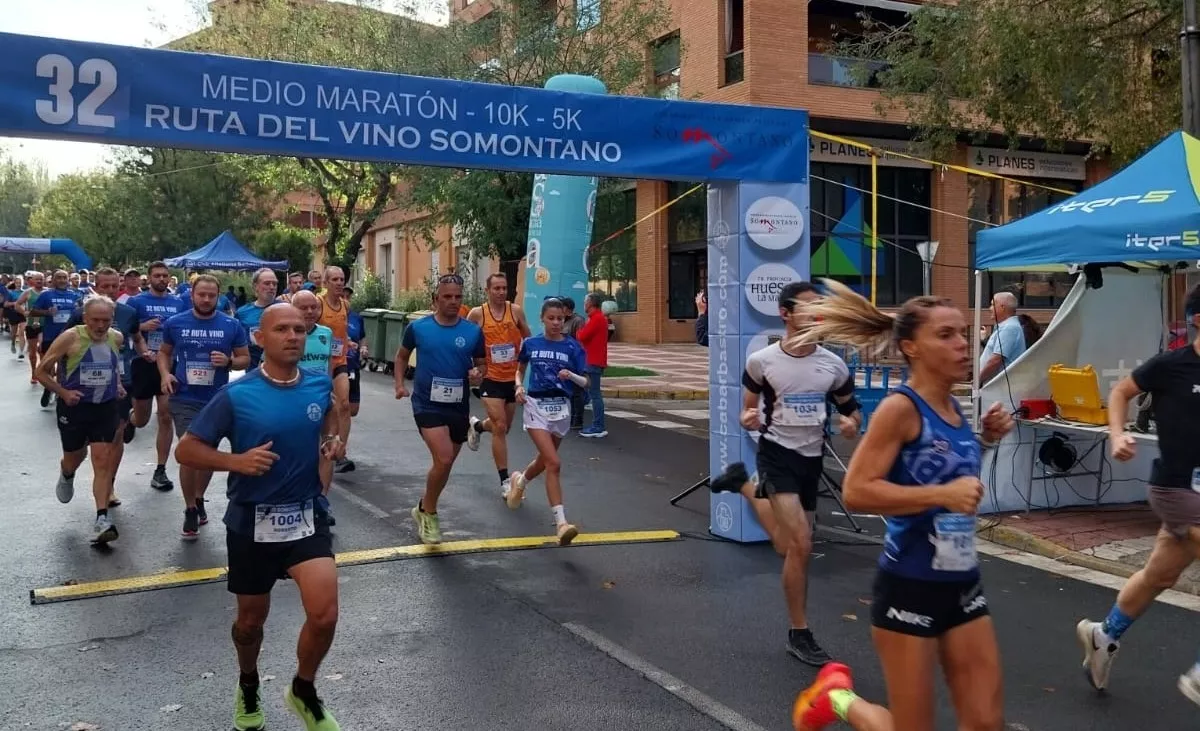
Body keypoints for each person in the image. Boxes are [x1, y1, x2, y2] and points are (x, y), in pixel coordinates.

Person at [789, 279, 1015, 731]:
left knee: (986, 722)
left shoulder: (953, 407)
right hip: (909, 585)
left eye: (963, 333)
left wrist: (985, 441)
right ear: (911, 347)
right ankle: (837, 698)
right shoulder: (900, 408)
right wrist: (941, 496)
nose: (963, 344)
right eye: (946, 335)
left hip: (962, 584)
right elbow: (856, 490)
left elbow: (946, 472)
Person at [175, 303, 344, 731]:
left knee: (324, 614)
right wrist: (236, 462)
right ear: (259, 338)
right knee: (250, 623)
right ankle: (248, 682)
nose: (293, 336)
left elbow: (330, 419)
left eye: (300, 329)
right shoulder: (237, 394)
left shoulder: (318, 385)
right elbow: (187, 450)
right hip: (252, 520)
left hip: (306, 515)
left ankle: (303, 690)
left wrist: (330, 442)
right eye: (282, 329)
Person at [709, 281, 863, 666]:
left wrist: (850, 423)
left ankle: (743, 484)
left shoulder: (833, 364)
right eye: (808, 307)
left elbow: (851, 409)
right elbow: (747, 408)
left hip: (812, 460)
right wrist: (746, 417)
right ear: (786, 314)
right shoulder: (762, 361)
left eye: (820, 308)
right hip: (776, 455)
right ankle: (800, 632)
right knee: (803, 545)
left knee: (785, 545)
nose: (816, 314)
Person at [1075, 284, 1200, 703]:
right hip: (1177, 488)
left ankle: (1103, 635)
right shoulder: (1172, 365)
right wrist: (1116, 435)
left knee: (1159, 575)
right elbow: (1120, 392)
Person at [393, 274, 486, 545]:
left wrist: (478, 374)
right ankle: (431, 515)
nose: (453, 301)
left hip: (458, 404)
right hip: (426, 403)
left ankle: (423, 506)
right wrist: (399, 384)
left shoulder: (472, 331)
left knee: (444, 465)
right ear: (435, 299)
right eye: (447, 296)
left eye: (458, 297)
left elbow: (482, 364)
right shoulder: (418, 328)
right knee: (444, 459)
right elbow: (400, 357)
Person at [159, 274, 251, 539]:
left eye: (212, 295)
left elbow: (245, 358)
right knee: (189, 452)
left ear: (218, 296)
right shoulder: (175, 323)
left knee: (207, 453)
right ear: (192, 295)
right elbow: (164, 352)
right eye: (202, 294)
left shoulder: (231, 325)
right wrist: (166, 374)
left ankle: (199, 498)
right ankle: (189, 507)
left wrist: (229, 362)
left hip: (217, 398)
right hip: (184, 397)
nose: (207, 299)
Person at [36, 296, 126, 545]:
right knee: (76, 456)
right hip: (74, 409)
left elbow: (114, 366)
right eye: (95, 320)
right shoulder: (70, 338)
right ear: (85, 318)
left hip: (105, 408)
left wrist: (117, 385)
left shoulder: (116, 338)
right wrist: (63, 392)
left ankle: (102, 519)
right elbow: (41, 371)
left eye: (106, 321)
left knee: (102, 459)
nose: (100, 326)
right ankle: (67, 472)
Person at [504, 298, 588, 545]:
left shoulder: (573, 348)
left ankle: (520, 481)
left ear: (565, 319)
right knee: (553, 462)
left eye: (560, 319)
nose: (555, 323)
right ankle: (561, 523)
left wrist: (570, 375)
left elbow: (586, 382)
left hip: (562, 408)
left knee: (543, 460)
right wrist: (519, 386)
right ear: (542, 318)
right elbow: (519, 370)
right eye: (551, 318)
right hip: (535, 407)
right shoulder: (530, 343)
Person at [67, 269, 144, 482]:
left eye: (114, 286)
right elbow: (63, 350)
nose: (110, 291)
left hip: (119, 381)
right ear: (96, 287)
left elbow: (137, 337)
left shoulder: (128, 312)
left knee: (116, 435)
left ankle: (108, 483)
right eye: (104, 286)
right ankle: (69, 468)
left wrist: (144, 352)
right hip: (84, 385)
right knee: (81, 445)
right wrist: (62, 386)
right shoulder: (79, 314)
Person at [466, 273, 532, 495]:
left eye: (504, 288)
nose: (501, 292)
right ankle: (505, 481)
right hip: (490, 376)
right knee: (500, 426)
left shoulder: (515, 311)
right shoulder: (478, 314)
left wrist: (523, 367)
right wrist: (472, 367)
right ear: (488, 290)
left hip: (511, 378)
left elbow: (528, 340)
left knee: (503, 427)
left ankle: (476, 426)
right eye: (496, 288)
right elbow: (466, 342)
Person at [127, 262, 188, 492]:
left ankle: (160, 470)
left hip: (169, 364)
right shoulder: (137, 301)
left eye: (165, 276)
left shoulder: (178, 302)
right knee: (142, 420)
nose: (161, 279)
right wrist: (144, 325)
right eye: (157, 276)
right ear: (149, 278)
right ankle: (131, 420)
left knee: (165, 415)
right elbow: (126, 329)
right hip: (143, 363)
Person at [316, 266, 353, 490]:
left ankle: (340, 451)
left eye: (342, 279)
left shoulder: (345, 305)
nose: (339, 283)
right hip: (319, 364)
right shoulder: (318, 304)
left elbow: (343, 330)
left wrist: (348, 343)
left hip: (340, 362)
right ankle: (321, 444)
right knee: (324, 408)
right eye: (335, 280)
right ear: (326, 283)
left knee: (345, 405)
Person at [29, 270, 84, 408]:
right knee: (48, 365)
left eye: (64, 277)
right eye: (58, 277)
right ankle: (49, 386)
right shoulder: (46, 294)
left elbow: (81, 313)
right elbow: (33, 311)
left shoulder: (75, 295)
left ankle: (60, 393)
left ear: (68, 280)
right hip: (50, 335)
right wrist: (47, 312)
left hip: (69, 336)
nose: (61, 280)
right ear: (53, 280)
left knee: (62, 366)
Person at [338, 286, 366, 473]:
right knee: (342, 407)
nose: (346, 298)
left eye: (348, 295)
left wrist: (363, 348)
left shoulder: (357, 318)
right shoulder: (327, 315)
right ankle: (339, 451)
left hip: (353, 366)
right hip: (336, 367)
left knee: (352, 409)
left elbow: (362, 337)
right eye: (342, 295)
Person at [576, 292, 609, 438]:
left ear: (590, 303)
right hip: (593, 360)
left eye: (585, 301)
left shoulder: (596, 319)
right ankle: (596, 424)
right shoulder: (596, 318)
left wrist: (578, 331)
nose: (584, 304)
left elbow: (582, 336)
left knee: (595, 394)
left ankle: (598, 426)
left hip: (593, 360)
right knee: (591, 392)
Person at [236, 268, 281, 370]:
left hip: (280, 369)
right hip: (253, 370)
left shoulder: (286, 309)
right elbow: (237, 343)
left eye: (274, 284)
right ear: (255, 286)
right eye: (267, 283)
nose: (272, 287)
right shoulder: (242, 312)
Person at [978, 291, 1025, 384]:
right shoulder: (1006, 327)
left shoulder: (1009, 328)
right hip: (996, 387)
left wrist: (978, 380)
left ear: (1002, 307)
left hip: (999, 388)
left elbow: (996, 360)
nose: (990, 308)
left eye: (992, 305)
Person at [16, 272, 46, 382]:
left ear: (44, 280)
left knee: (42, 348)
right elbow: (17, 304)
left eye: (41, 279)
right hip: (32, 324)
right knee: (33, 352)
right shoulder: (28, 292)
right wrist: (24, 312)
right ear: (32, 280)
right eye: (37, 279)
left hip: (45, 324)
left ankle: (43, 372)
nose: (39, 281)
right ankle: (34, 372)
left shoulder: (48, 292)